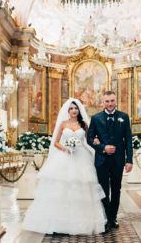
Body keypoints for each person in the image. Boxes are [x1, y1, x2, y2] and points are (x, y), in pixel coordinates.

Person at [23, 98, 106, 235]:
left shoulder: (84, 124)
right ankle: (58, 222)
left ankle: (81, 222)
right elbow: (55, 142)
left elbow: (88, 140)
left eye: (76, 108)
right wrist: (65, 149)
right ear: (67, 111)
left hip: (81, 157)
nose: (74, 110)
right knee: (60, 188)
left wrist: (95, 142)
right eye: (71, 108)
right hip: (64, 157)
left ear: (79, 110)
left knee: (81, 188)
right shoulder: (62, 124)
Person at [87, 91, 133, 231]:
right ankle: (107, 217)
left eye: (112, 100)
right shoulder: (96, 118)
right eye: (107, 101)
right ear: (103, 102)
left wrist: (129, 160)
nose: (110, 103)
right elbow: (89, 139)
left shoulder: (124, 117)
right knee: (104, 189)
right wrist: (103, 147)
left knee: (116, 189)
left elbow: (128, 140)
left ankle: (113, 218)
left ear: (116, 101)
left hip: (118, 160)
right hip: (101, 160)